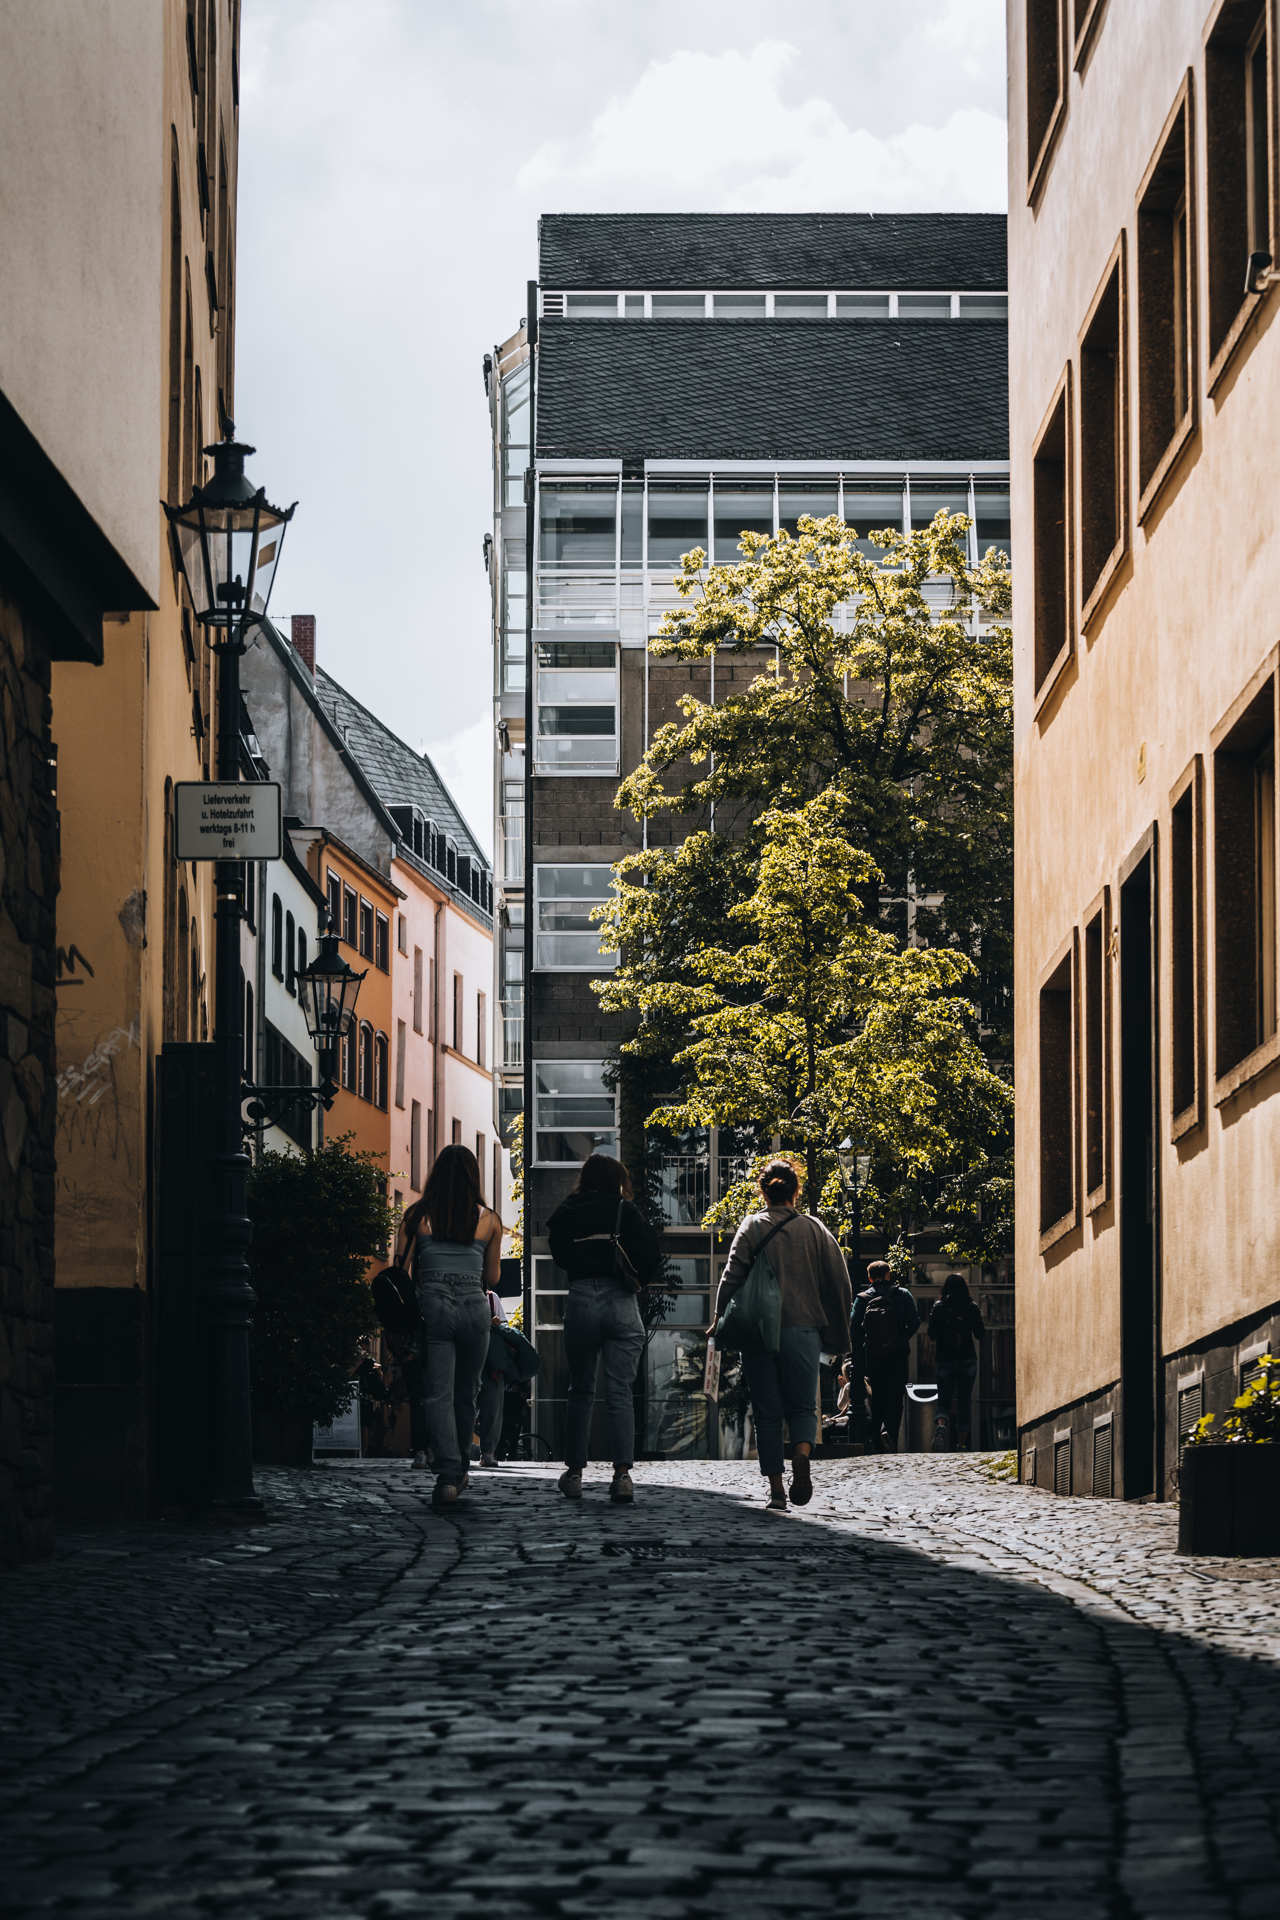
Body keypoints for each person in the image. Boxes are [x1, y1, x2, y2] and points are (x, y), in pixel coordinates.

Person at [710, 1158, 852, 1512]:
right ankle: (801, 1455)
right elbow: (840, 1281)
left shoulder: (752, 1226)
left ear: (763, 1191)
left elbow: (732, 1275)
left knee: (767, 1411)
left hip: (759, 1331)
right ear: (796, 1190)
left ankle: (776, 1491)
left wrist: (717, 1316)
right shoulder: (815, 1229)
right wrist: (837, 1330)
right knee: (804, 1405)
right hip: (803, 1329)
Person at [547, 1153, 661, 1504]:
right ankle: (623, 1476)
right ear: (616, 1179)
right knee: (620, 1392)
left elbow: (557, 1250)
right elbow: (650, 1256)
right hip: (620, 1301)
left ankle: (576, 1475)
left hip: (581, 1297)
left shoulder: (568, 1208)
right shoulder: (624, 1210)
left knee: (580, 1389)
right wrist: (633, 1279)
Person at [394, 1143, 501, 1509]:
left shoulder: (417, 1216)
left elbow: (401, 1272)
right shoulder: (489, 1219)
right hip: (474, 1305)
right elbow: (492, 1276)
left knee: (437, 1394)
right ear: (474, 1178)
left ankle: (447, 1476)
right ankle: (460, 1468)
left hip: (434, 1304)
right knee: (465, 1393)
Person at [851, 1259, 920, 1453]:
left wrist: (867, 1340)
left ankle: (876, 1440)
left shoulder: (862, 1298)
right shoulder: (903, 1294)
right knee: (895, 1397)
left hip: (873, 1354)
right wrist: (901, 1337)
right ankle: (892, 1436)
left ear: (870, 1277)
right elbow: (914, 1322)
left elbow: (853, 1327)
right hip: (897, 1353)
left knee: (878, 1396)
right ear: (889, 1275)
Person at [929, 1272, 986, 1451]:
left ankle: (941, 1425)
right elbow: (980, 1334)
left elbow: (931, 1334)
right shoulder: (971, 1307)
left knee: (944, 1402)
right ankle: (961, 1444)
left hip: (944, 1359)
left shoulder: (938, 1307)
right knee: (964, 1402)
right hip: (967, 1359)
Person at [475, 1283, 509, 1466]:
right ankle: (460, 1450)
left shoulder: (491, 1298)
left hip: (491, 1361)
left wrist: (497, 1323)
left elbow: (506, 1328)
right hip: (469, 1359)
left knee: (493, 1409)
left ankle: (488, 1452)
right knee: (464, 1406)